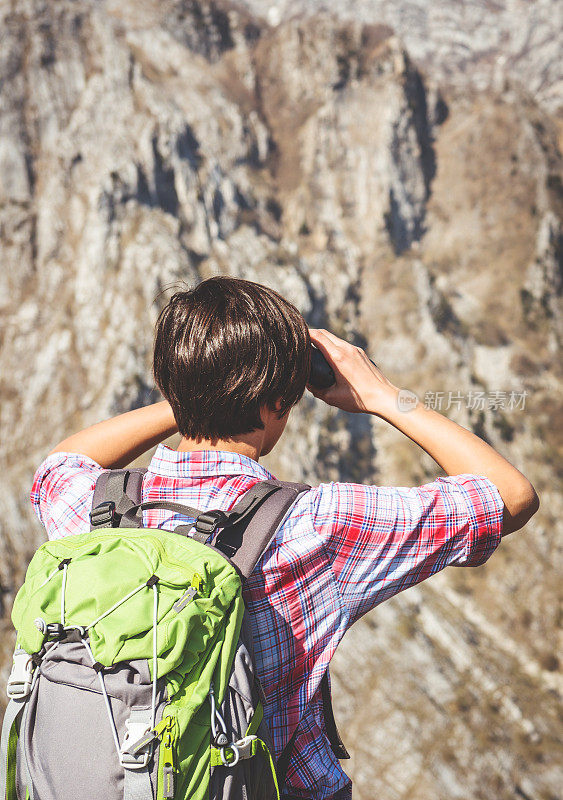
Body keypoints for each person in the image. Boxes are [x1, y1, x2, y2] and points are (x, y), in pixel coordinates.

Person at [30, 276, 539, 799]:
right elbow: (510, 495)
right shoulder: (316, 526)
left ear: (169, 380)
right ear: (279, 402)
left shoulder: (94, 509)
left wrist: (194, 393)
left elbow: (61, 463)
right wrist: (384, 397)